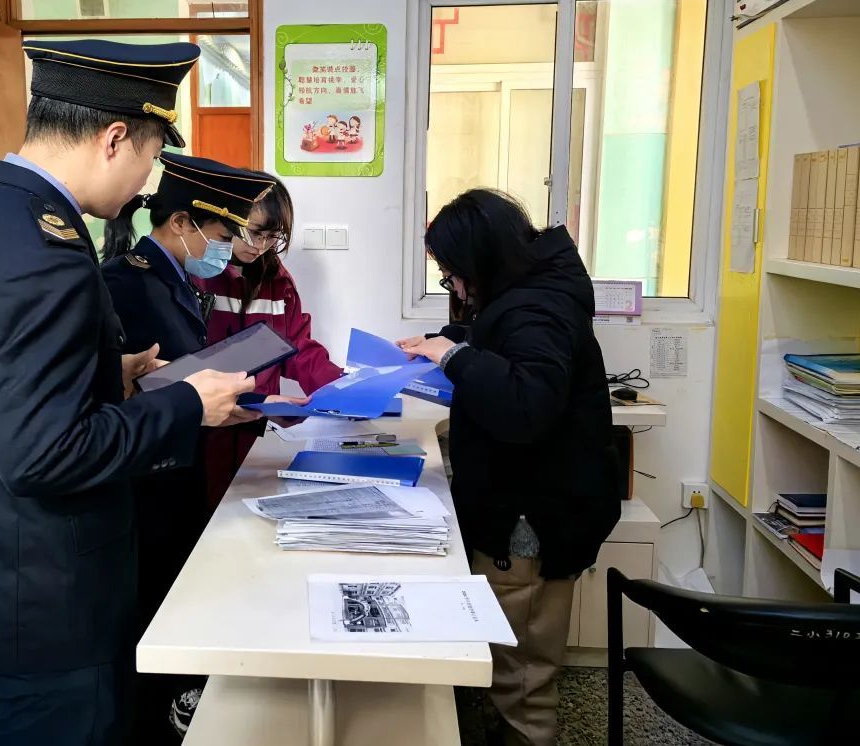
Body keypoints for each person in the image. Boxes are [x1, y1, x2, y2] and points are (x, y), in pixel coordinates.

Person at [0, 38, 255, 746]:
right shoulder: (48, 256)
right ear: (114, 139)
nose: (144, 184)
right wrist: (187, 404)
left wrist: (109, 373)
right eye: (150, 157)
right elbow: (43, 454)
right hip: (50, 606)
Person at [398, 189, 621, 746]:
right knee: (507, 643)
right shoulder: (531, 293)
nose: (454, 289)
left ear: (480, 262)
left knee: (522, 662)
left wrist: (453, 357)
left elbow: (526, 406)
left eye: (452, 276)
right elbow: (504, 344)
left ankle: (525, 735)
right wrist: (452, 340)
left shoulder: (537, 309)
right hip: (530, 498)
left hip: (533, 514)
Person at [100, 154, 296, 742]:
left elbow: (177, 378)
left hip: (177, 470)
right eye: (224, 235)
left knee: (173, 602)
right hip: (146, 484)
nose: (230, 249)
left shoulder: (177, 279)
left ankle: (168, 710)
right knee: (148, 616)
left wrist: (221, 403)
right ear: (183, 223)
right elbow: (118, 396)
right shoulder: (125, 281)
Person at [195, 172, 343, 510]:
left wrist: (340, 388)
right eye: (254, 233)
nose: (260, 246)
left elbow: (297, 348)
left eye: (272, 237)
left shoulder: (278, 281)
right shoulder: (201, 274)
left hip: (255, 430)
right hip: (207, 427)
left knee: (248, 513)